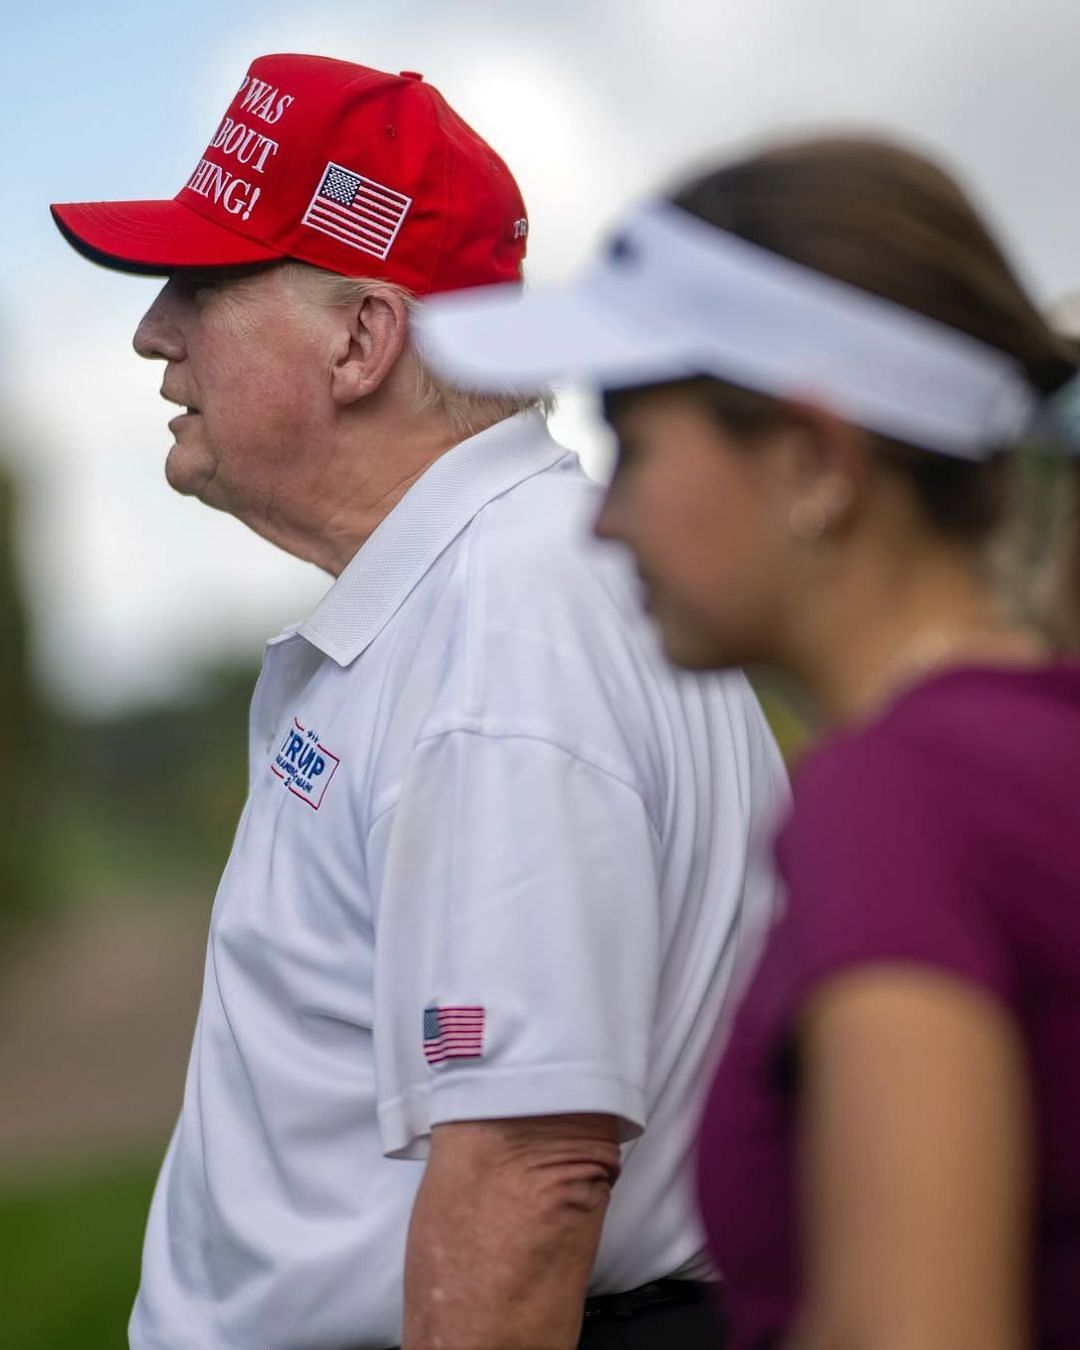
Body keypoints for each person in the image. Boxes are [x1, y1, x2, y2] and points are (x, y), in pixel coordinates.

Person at [51, 54, 788, 1350]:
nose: (152, 331)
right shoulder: (497, 588)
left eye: (202, 285)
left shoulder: (507, 618)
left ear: (360, 339)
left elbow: (529, 1171)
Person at [415, 136, 1080, 1347]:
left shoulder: (898, 802)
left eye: (637, 441)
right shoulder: (1031, 746)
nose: (604, 518)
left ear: (817, 461)